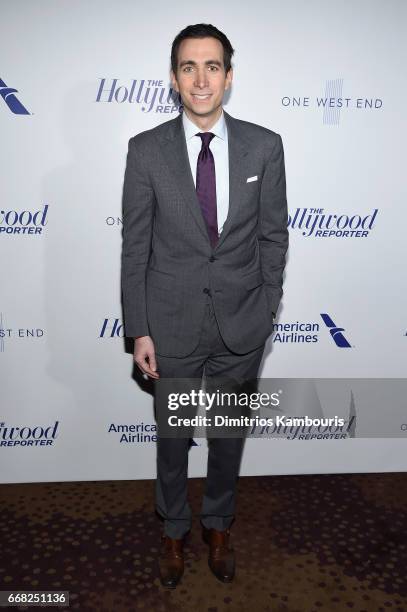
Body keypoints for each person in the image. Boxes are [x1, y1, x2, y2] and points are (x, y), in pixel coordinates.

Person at [121, 23, 289, 588]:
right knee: (173, 442)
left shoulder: (266, 146)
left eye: (212, 66)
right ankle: (174, 532)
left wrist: (267, 308)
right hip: (170, 328)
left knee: (227, 441)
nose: (201, 79)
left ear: (229, 76)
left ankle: (217, 525)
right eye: (189, 67)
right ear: (174, 79)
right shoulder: (145, 151)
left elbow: (274, 237)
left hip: (242, 326)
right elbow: (135, 246)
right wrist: (139, 329)